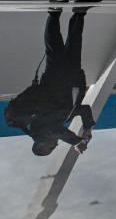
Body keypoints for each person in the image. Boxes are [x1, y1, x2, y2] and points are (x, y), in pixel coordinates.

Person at [4, 8, 95, 155]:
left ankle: (54, 11)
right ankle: (79, 12)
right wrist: (88, 128)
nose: (56, 144)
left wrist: (77, 142)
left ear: (42, 145)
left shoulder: (39, 131)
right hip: (72, 75)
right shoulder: (61, 120)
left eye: (52, 147)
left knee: (54, 42)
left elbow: (55, 131)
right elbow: (84, 109)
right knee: (75, 39)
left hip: (56, 78)